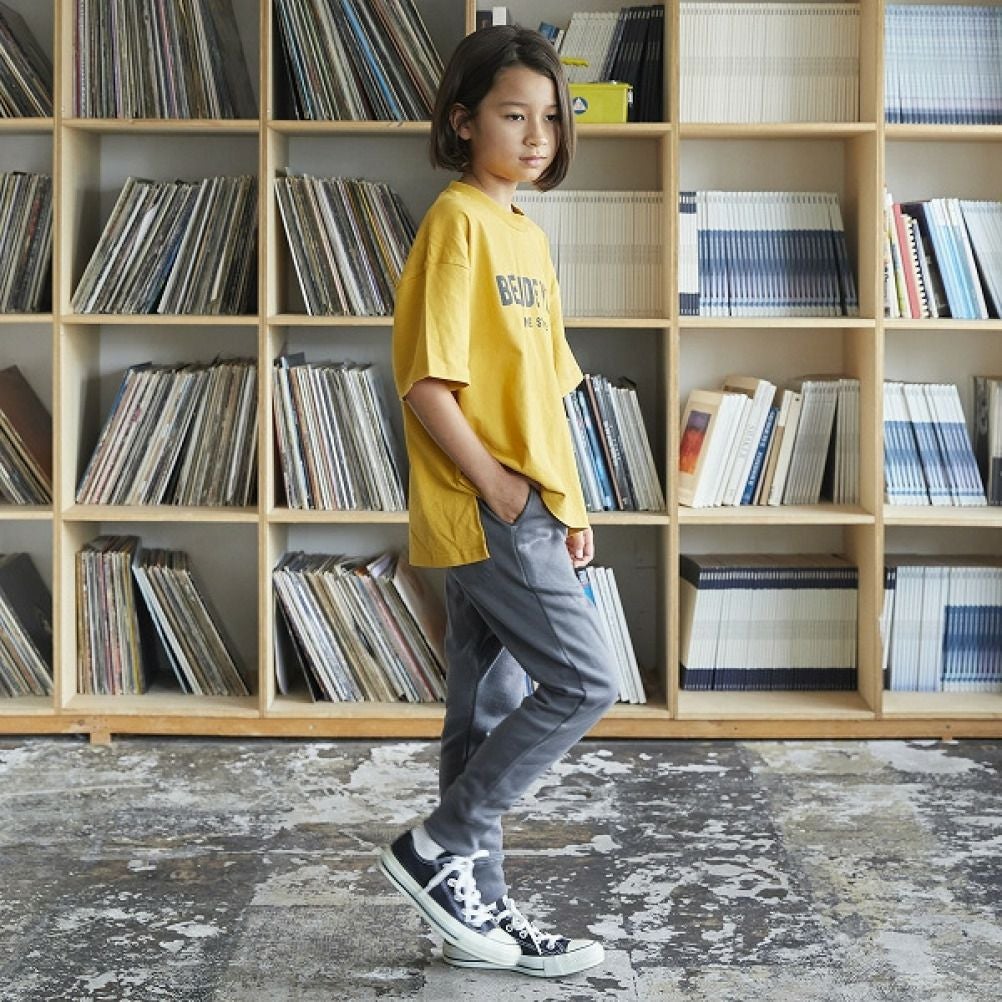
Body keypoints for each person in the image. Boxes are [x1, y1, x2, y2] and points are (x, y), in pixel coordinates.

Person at [378, 25, 618, 979]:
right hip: (487, 506)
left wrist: (573, 503)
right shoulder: (457, 225)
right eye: (514, 116)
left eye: (549, 119)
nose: (536, 136)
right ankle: (439, 845)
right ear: (463, 121)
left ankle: (477, 913)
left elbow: (546, 394)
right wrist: (503, 489)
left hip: (529, 503)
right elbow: (426, 385)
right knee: (585, 682)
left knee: (487, 708)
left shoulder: (525, 234)